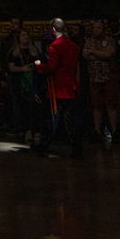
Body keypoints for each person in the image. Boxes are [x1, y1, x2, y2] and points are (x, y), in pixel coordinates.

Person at [35, 17, 83, 158]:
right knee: (71, 121)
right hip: (71, 87)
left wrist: (39, 66)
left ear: (54, 29)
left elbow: (51, 67)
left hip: (58, 89)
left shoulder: (55, 46)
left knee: (51, 119)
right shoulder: (74, 46)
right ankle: (76, 148)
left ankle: (44, 146)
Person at [82, 19, 119, 145]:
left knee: (111, 105)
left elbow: (109, 55)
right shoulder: (88, 40)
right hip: (94, 78)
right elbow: (86, 55)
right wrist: (100, 54)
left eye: (99, 28)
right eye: (95, 28)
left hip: (108, 77)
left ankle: (115, 132)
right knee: (96, 106)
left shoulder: (110, 40)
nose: (96, 30)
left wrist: (94, 52)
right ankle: (97, 132)